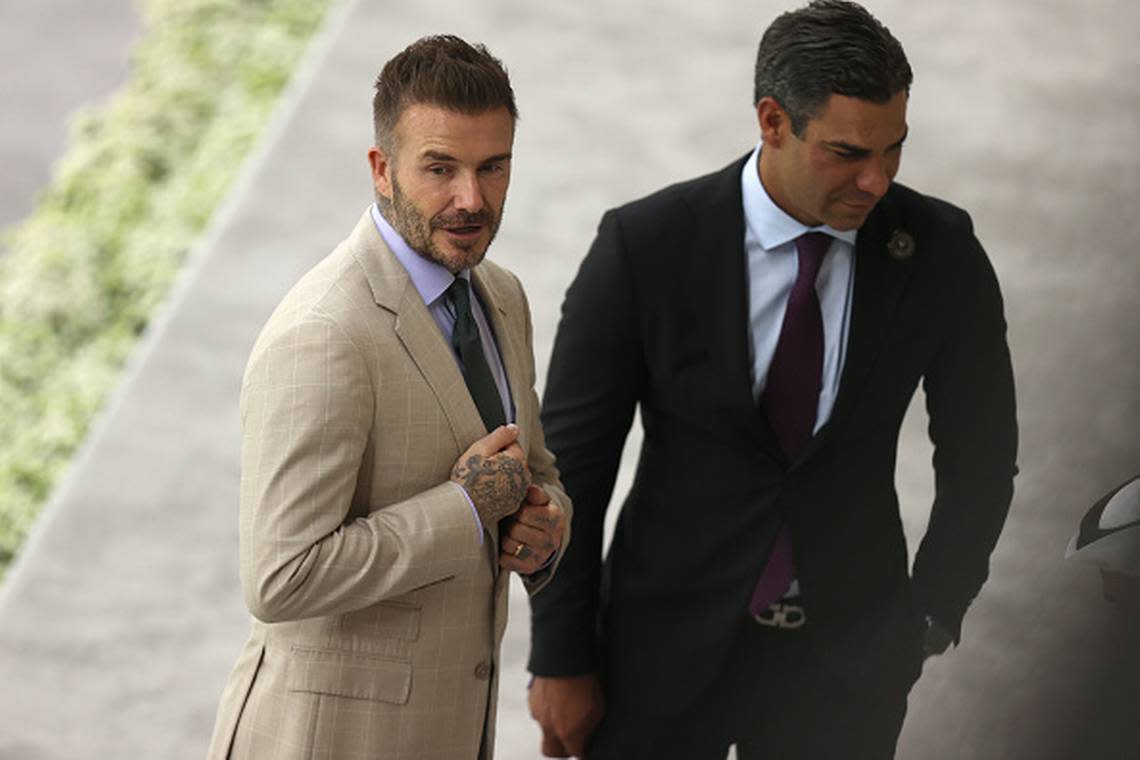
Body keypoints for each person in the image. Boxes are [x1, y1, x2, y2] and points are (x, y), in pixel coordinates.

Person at [526, 2, 1017, 757]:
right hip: (656, 661)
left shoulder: (939, 251)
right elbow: (569, 469)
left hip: (844, 672)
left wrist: (935, 610)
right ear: (772, 120)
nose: (877, 180)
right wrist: (559, 659)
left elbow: (981, 452)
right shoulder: (647, 245)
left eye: (895, 150)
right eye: (849, 152)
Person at [207, 35, 570, 760]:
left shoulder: (502, 298)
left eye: (492, 167)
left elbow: (531, 467)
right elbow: (280, 577)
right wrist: (465, 510)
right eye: (440, 169)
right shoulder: (325, 333)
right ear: (382, 169)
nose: (472, 199)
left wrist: (546, 523)